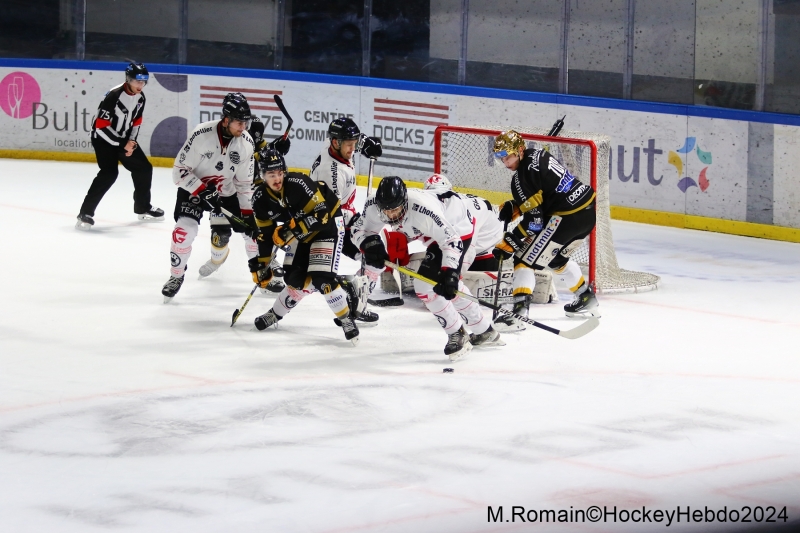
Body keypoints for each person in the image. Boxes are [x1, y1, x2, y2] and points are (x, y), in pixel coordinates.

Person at [351, 176, 501, 361]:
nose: (390, 215)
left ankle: (458, 333)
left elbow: (451, 241)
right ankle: (484, 330)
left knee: (431, 285)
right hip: (432, 232)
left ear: (404, 202)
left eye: (395, 209)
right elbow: (358, 229)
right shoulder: (374, 205)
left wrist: (450, 272)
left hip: (457, 230)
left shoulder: (424, 210)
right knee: (431, 286)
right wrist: (369, 243)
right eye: (386, 210)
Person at [249, 149, 361, 345]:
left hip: (328, 227)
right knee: (294, 278)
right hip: (302, 231)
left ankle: (346, 319)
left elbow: (322, 216)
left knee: (322, 280)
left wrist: (291, 230)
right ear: (262, 176)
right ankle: (276, 313)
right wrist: (263, 264)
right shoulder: (260, 199)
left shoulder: (298, 183)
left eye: (279, 173)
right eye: (271, 175)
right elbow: (265, 236)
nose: (277, 179)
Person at [491, 130, 600, 327]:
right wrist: (519, 205)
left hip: (565, 218)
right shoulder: (537, 153)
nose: (506, 163)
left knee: (523, 259)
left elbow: (535, 223)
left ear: (520, 150)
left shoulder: (520, 180)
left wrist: (512, 241)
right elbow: (544, 192)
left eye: (509, 156)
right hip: (587, 213)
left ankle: (518, 315)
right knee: (555, 258)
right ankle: (586, 298)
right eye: (502, 158)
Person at [161, 93, 258, 303]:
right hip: (194, 189)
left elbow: (243, 184)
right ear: (226, 120)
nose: (244, 127)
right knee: (182, 232)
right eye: (239, 122)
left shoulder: (246, 143)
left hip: (226, 191)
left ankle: (242, 267)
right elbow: (179, 172)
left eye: (246, 122)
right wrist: (202, 190)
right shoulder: (201, 135)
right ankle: (176, 276)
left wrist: (248, 214)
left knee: (224, 236)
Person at [195, 101, 289, 295]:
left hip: (248, 197)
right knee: (220, 236)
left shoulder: (254, 143)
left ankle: (265, 272)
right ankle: (216, 260)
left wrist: (278, 150)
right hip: (225, 194)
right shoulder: (227, 144)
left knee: (255, 234)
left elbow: (267, 159)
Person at [310, 117, 383, 322]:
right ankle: (354, 300)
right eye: (349, 145)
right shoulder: (331, 173)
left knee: (374, 251)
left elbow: (351, 141)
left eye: (354, 143)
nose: (353, 148)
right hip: (330, 224)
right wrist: (358, 226)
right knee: (372, 256)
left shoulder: (334, 145)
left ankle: (358, 297)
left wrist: (366, 143)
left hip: (343, 215)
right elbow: (332, 214)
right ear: (336, 142)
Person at [76, 62, 163, 229]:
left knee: (144, 168)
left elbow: (136, 122)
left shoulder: (141, 98)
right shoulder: (114, 96)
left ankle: (143, 207)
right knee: (109, 173)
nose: (141, 85)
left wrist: (132, 143)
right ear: (128, 79)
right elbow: (100, 126)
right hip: (102, 140)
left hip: (123, 140)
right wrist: (124, 144)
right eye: (138, 81)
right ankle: (85, 213)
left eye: (144, 81)